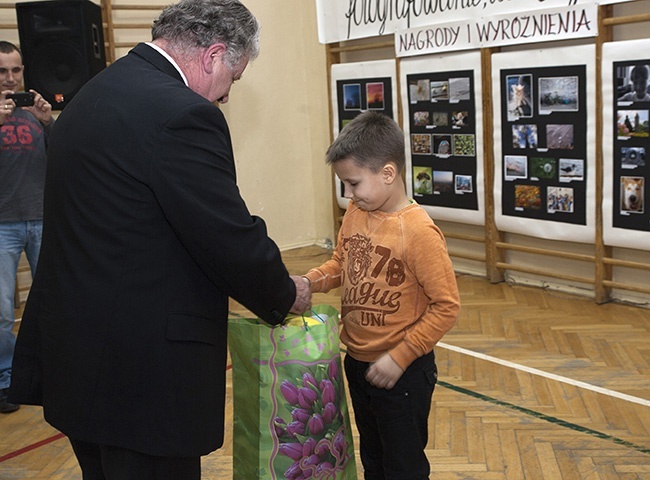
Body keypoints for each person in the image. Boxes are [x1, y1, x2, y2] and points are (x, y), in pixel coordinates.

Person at [9, 1, 310, 478]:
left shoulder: (96, 90)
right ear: (213, 55)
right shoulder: (182, 115)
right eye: (234, 78)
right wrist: (284, 291)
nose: (228, 96)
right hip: (140, 374)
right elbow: (224, 233)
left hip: (78, 356)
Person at [303, 111, 460, 480]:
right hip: (358, 364)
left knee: (403, 467)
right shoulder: (357, 213)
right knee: (373, 459)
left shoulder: (419, 232)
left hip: (402, 372)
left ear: (388, 174)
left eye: (354, 183)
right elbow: (342, 263)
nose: (348, 194)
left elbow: (446, 307)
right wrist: (309, 281)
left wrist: (400, 357)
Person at [0, 41, 53, 414]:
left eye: (16, 70)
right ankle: (5, 380)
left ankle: (54, 374)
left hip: (43, 219)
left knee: (54, 300)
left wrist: (49, 122)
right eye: (2, 71)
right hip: (2, 225)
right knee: (2, 310)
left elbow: (69, 154)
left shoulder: (35, 113)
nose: (10, 78)